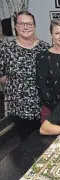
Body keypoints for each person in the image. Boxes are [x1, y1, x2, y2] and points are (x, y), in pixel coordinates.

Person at [0, 11, 50, 141]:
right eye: (22, 23)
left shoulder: (45, 48)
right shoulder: (6, 49)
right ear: (16, 27)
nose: (26, 27)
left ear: (34, 26)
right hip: (19, 108)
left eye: (29, 23)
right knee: (26, 144)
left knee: (46, 143)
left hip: (43, 106)